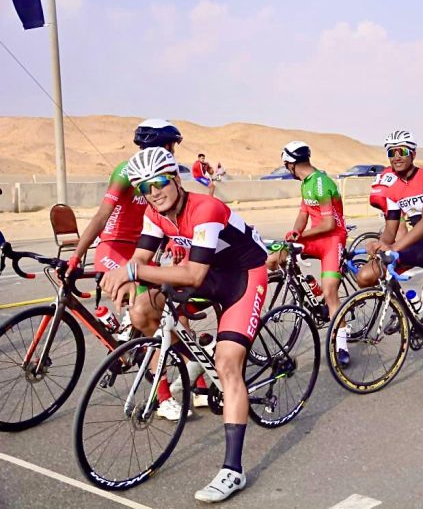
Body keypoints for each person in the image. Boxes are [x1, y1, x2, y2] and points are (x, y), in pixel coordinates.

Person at [100, 147, 268, 502]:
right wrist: (128, 279)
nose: (153, 192)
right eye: (144, 187)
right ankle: (194, 358)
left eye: (160, 182)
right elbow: (141, 257)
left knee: (228, 365)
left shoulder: (205, 209)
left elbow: (192, 275)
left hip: (242, 275)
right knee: (142, 309)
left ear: (176, 179)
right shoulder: (154, 213)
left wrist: (133, 271)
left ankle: (233, 470)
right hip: (207, 273)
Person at [358, 130, 423, 407]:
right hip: (414, 245)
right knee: (366, 275)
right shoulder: (393, 187)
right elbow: (391, 229)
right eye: (391, 152)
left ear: (413, 153)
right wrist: (381, 244)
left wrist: (394, 248)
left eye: (402, 151)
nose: (396, 157)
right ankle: (407, 308)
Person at [267, 141, 350, 363]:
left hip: (332, 240)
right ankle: (311, 287)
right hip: (315, 238)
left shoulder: (321, 183)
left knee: (331, 294)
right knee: (277, 256)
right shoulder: (305, 183)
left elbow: (329, 224)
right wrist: (296, 231)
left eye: (286, 166)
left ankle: (342, 345)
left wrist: (302, 236)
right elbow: (303, 213)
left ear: (291, 164)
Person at [67, 119, 183, 276]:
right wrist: (76, 257)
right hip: (113, 246)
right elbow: (102, 216)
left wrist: (174, 240)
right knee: (132, 287)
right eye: (172, 146)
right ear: (164, 145)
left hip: (140, 249)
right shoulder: (126, 171)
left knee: (164, 287)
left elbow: (170, 214)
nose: (173, 152)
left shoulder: (167, 173)